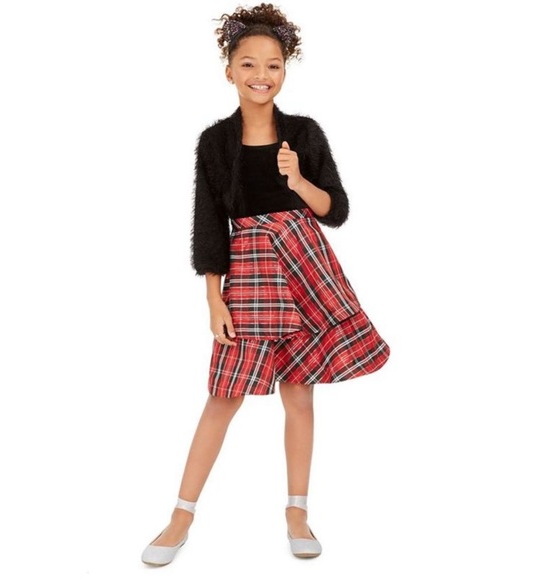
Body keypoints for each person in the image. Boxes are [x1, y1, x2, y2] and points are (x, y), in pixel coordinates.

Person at [141, 2, 390, 566]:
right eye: (249, 64)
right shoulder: (214, 142)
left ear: (285, 70)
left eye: (273, 65)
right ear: (229, 70)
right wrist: (213, 297)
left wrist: (298, 178)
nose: (261, 75)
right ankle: (181, 516)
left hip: (305, 262)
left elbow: (335, 210)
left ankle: (296, 512)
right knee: (223, 395)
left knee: (299, 392)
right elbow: (210, 224)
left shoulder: (304, 132)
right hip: (250, 270)